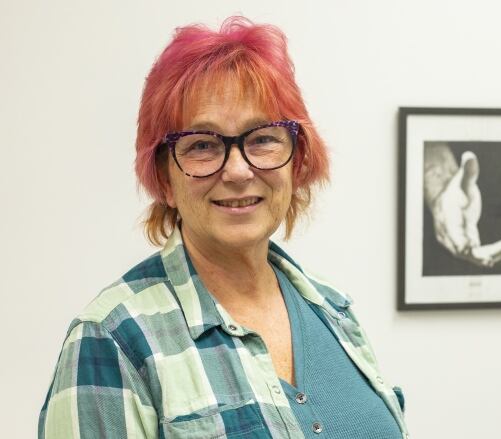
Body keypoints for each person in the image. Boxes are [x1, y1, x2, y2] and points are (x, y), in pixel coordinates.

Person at [38, 17, 408, 439]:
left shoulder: (333, 310)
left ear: (297, 159)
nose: (237, 170)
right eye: (202, 144)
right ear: (164, 178)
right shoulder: (112, 340)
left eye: (263, 139)